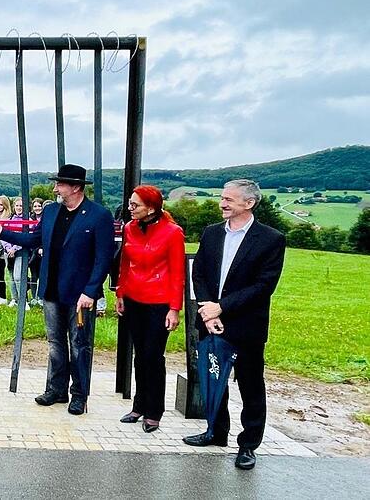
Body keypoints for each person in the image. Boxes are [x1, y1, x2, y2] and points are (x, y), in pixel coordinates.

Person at [0, 164, 114, 415]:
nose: (55, 187)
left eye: (60, 183)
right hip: (51, 290)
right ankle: (56, 389)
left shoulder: (98, 216)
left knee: (80, 345)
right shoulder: (50, 213)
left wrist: (90, 291)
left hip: (80, 295)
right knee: (55, 343)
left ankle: (79, 395)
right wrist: (5, 231)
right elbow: (32, 239)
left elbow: (104, 259)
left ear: (76, 187)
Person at [183, 179, 286, 471]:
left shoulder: (271, 239)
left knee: (251, 386)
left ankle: (248, 445)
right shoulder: (212, 233)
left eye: (229, 199)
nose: (222, 203)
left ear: (249, 203)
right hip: (209, 320)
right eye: (222, 197)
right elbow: (198, 274)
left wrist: (223, 307)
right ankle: (216, 432)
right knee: (214, 380)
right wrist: (208, 310)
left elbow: (263, 286)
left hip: (246, 325)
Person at [115, 185, 185, 433]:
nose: (130, 208)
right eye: (130, 204)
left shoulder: (172, 233)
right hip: (134, 298)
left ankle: (154, 411)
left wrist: (174, 308)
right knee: (139, 354)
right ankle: (139, 405)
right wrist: (120, 293)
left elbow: (178, 273)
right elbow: (125, 263)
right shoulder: (129, 228)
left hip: (159, 302)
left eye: (135, 205)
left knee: (153, 356)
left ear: (152, 208)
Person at [2, 197, 30, 310]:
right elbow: (4, 235)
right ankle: (15, 298)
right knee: (11, 276)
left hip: (21, 251)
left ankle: (24, 300)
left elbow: (27, 236)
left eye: (21, 206)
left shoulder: (27, 221)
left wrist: (15, 248)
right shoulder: (10, 220)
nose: (19, 208)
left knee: (18, 276)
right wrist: (8, 248)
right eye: (17, 205)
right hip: (8, 252)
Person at [28, 198, 45, 307]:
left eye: (39, 206)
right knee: (34, 275)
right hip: (33, 251)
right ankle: (34, 297)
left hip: (43, 251)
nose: (37, 208)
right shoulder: (30, 219)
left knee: (43, 275)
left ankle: (41, 297)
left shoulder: (45, 218)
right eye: (35, 206)